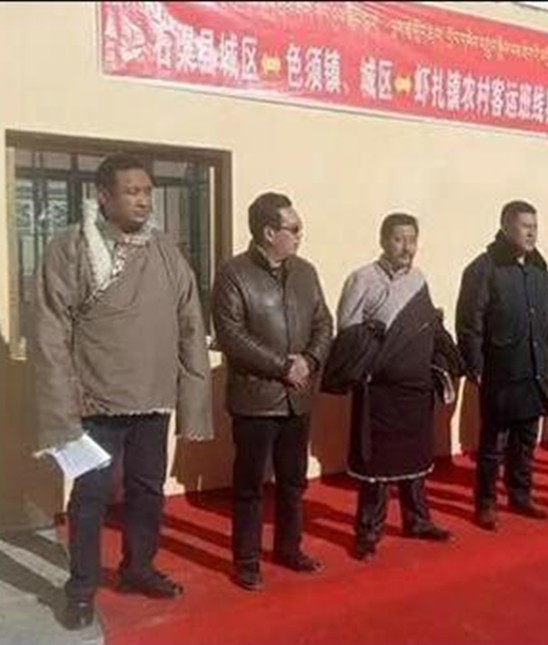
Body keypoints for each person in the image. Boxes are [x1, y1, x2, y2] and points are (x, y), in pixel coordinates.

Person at [31, 153, 212, 628]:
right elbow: (50, 333)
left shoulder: (165, 249)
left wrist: (193, 400)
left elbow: (190, 322)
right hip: (94, 401)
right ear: (104, 197)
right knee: (90, 497)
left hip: (153, 399)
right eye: (131, 192)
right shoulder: (71, 247)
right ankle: (81, 589)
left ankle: (138, 568)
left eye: (147, 191)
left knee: (147, 490)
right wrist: (62, 406)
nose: (143, 200)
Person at [212, 192, 332, 591]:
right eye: (293, 228)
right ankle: (246, 560)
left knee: (293, 481)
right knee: (249, 486)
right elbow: (232, 335)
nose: (300, 235)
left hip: (298, 398)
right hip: (256, 400)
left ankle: (289, 547)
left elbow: (323, 323)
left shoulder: (306, 272)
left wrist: (309, 361)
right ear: (268, 232)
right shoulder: (233, 274)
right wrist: (283, 366)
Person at [324, 213, 462, 560]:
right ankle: (368, 531)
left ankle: (418, 521)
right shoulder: (362, 279)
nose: (406, 247)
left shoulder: (419, 280)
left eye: (412, 240)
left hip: (414, 390)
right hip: (378, 392)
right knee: (376, 467)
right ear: (384, 240)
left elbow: (426, 328)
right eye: (399, 239)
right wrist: (374, 345)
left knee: (415, 457)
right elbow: (348, 333)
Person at [456, 200, 548, 531]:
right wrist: (475, 364)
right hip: (500, 370)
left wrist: (546, 356)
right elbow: (469, 322)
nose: (532, 233)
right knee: (493, 444)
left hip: (533, 369)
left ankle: (520, 494)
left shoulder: (540, 268)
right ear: (505, 226)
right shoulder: (484, 269)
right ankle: (485, 502)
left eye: (535, 227)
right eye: (525, 226)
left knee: (526, 440)